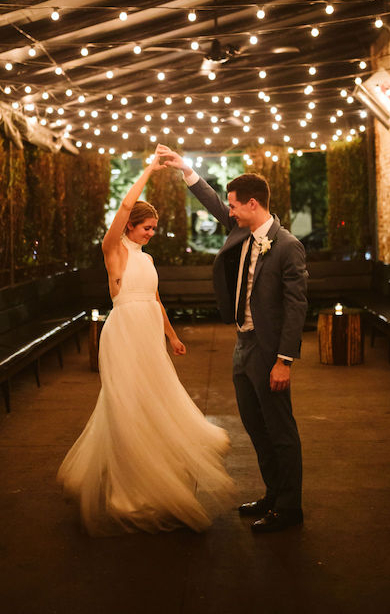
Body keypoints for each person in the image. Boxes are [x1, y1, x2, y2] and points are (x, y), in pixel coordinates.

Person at [57, 158, 235, 536]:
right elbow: (123, 207)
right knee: (124, 403)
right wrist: (150, 172)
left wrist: (171, 335)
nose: (151, 233)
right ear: (131, 227)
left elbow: (155, 298)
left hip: (149, 330)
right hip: (122, 331)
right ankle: (128, 484)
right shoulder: (114, 250)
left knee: (151, 399)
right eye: (147, 228)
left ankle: (154, 467)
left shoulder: (148, 259)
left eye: (154, 229)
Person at [155, 144, 309, 533]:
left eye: (235, 206)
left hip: (270, 349)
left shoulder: (288, 246)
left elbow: (296, 307)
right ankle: (272, 494)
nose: (230, 212)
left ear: (253, 204)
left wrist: (284, 360)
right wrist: (185, 169)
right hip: (242, 345)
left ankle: (290, 508)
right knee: (256, 427)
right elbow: (212, 204)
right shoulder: (242, 231)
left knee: (280, 429)